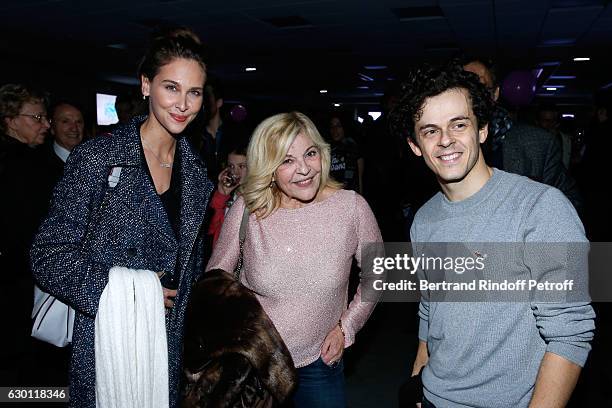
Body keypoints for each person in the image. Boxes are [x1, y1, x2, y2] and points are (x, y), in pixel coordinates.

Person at [389, 64, 595, 407]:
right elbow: (430, 309)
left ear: (482, 129)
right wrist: (417, 382)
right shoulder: (423, 219)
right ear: (414, 145)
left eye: (459, 124)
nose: (445, 141)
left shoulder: (541, 208)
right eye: (429, 131)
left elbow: (569, 335)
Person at [30, 27, 213, 407]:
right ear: (146, 85)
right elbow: (47, 255)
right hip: (108, 339)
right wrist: (130, 293)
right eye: (171, 88)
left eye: (194, 92)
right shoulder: (98, 159)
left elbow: (191, 269)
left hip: (169, 346)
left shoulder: (197, 173)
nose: (183, 104)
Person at [206, 111, 382, 407]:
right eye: (287, 160)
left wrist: (346, 327)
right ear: (269, 167)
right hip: (255, 364)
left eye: (310, 153)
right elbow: (216, 278)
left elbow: (379, 273)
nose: (304, 169)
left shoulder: (351, 208)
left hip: (319, 364)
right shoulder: (248, 209)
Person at [462, 58, 583, 213]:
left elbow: (572, 202)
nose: (472, 98)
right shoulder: (443, 148)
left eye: (481, 88)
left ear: (495, 94)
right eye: (464, 89)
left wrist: (532, 200)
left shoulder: (538, 143)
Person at [0, 83, 51, 385]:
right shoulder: (24, 165)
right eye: (37, 117)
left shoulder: (26, 160)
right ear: (10, 119)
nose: (45, 125)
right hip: (16, 276)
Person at [207, 144, 248, 247]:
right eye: (231, 166)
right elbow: (210, 230)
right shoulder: (228, 195)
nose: (235, 171)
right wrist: (221, 194)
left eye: (241, 166)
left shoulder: (259, 198)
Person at [328, 114, 364, 194]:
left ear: (344, 127)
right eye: (332, 126)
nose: (335, 130)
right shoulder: (327, 149)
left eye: (338, 126)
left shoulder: (354, 148)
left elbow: (359, 178)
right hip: (332, 194)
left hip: (350, 195)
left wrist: (360, 197)